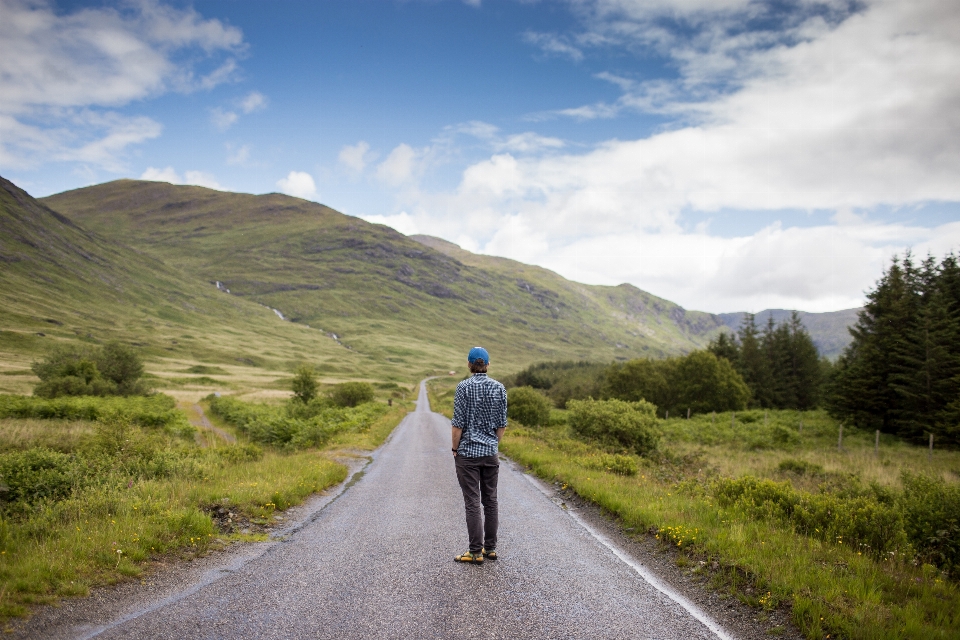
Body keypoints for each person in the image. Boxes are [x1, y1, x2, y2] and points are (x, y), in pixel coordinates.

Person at [451, 346, 507, 564]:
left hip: (467, 454)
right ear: (488, 365)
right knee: (491, 500)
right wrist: (492, 445)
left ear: (468, 364)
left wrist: (455, 448)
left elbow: (457, 425)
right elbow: (501, 425)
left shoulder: (463, 388)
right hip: (490, 453)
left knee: (473, 501)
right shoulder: (499, 388)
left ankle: (475, 551)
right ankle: (490, 549)